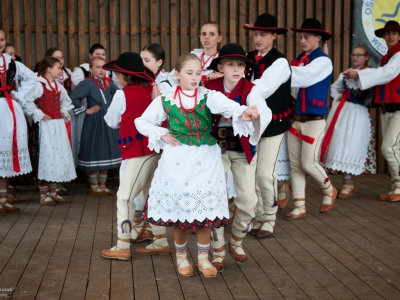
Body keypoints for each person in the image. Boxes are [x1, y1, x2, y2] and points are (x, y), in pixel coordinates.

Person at [135, 53, 258, 278]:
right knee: (181, 213)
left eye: (199, 73)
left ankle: (203, 258)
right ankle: (181, 258)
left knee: (204, 211)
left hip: (205, 158)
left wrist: (244, 111)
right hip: (177, 159)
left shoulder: (208, 95)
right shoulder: (166, 98)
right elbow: (141, 121)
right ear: (178, 74)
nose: (195, 78)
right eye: (190, 73)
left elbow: (230, 106)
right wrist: (162, 133)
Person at [204, 43, 271, 270]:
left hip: (242, 150)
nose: (236, 69)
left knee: (248, 201)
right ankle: (218, 248)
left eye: (240, 64)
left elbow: (262, 105)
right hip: (215, 150)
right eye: (230, 64)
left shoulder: (250, 88)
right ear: (220, 67)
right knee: (216, 198)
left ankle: (237, 241)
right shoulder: (208, 86)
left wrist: (256, 111)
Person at [101, 52, 166, 261]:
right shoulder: (153, 89)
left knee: (125, 197)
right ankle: (160, 240)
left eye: (118, 74)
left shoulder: (122, 94)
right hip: (157, 150)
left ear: (126, 76)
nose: (116, 78)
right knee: (150, 195)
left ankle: (122, 244)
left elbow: (111, 121)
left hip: (138, 151)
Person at [242, 13, 292, 238]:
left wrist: (240, 87)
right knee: (249, 172)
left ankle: (270, 217)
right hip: (252, 123)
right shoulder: (248, 57)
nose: (258, 38)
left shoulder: (280, 62)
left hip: (273, 123)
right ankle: (258, 214)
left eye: (263, 34)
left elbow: (263, 87)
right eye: (255, 34)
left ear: (274, 35)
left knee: (264, 173)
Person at [343, 20, 400, 202]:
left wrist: (360, 74)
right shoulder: (387, 56)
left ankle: (399, 185)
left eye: (394, 33)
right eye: (388, 33)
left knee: (388, 147)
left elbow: (387, 73)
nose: (390, 36)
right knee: (394, 149)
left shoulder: (397, 55)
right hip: (387, 109)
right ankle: (395, 188)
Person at [287, 18, 336, 219]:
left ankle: (328, 189)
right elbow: (293, 89)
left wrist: (277, 69)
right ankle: (299, 206)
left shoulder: (323, 61)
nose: (303, 41)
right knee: (295, 164)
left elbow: (304, 77)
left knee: (308, 163)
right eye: (301, 37)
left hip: (315, 121)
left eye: (307, 37)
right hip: (296, 119)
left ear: (318, 38)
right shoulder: (299, 61)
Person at [321, 45, 376, 198]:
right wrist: (338, 95)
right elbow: (334, 87)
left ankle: (348, 185)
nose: (355, 57)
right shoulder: (345, 73)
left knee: (351, 145)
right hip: (342, 112)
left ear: (366, 57)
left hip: (358, 114)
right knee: (340, 143)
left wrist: (366, 100)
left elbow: (372, 91)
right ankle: (346, 183)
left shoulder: (370, 73)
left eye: (359, 55)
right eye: (353, 55)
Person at [25, 57, 76, 205]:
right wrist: (39, 114)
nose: (61, 70)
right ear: (49, 69)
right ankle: (43, 194)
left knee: (57, 155)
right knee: (46, 156)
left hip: (57, 125)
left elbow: (66, 102)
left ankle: (53, 191)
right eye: (58, 68)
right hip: (45, 126)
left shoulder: (58, 86)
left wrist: (63, 111)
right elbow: (27, 101)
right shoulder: (39, 85)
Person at [70, 56, 121, 195]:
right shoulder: (87, 83)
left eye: (103, 67)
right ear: (90, 69)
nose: (101, 70)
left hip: (107, 120)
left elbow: (120, 95)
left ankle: (102, 184)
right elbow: (74, 98)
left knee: (105, 150)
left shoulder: (108, 83)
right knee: (94, 149)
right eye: (97, 67)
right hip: (94, 121)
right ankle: (94, 186)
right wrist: (86, 110)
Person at [0, 29, 36, 213]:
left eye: (2, 39)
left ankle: (3, 199)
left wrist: (19, 94)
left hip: (7, 109)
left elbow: (32, 78)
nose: (0, 42)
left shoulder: (10, 62)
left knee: (4, 152)